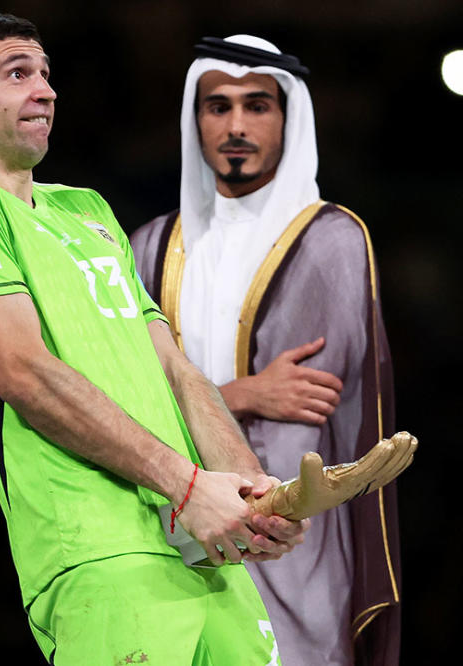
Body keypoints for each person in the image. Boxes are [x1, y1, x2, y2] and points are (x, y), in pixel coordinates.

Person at [0, 13, 306, 665]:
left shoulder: (86, 210)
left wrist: (249, 490)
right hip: (97, 549)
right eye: (18, 72)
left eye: (46, 74)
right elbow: (23, 373)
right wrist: (186, 484)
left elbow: (175, 368)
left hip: (203, 548)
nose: (46, 89)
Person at [130, 35, 400, 666]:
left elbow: (306, 405)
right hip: (171, 527)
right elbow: (122, 399)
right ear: (194, 119)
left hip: (294, 539)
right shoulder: (145, 245)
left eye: (258, 105)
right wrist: (245, 392)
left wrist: (191, 397)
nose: (236, 125)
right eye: (217, 106)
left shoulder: (332, 239)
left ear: (289, 117)